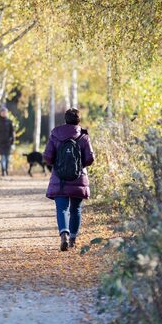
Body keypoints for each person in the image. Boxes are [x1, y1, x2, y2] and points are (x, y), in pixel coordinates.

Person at [43, 108, 95, 251]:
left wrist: (57, 163)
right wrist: (79, 165)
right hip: (78, 178)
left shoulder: (55, 134)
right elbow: (90, 158)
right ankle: (72, 238)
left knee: (62, 208)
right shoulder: (84, 136)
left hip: (59, 178)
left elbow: (47, 156)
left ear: (65, 119)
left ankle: (63, 234)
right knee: (76, 209)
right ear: (78, 120)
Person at [0, 107, 15, 176]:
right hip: (0, 142)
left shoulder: (9, 122)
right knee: (2, 157)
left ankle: (6, 170)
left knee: (7, 158)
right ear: (0, 113)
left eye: (5, 112)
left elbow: (12, 132)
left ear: (7, 113)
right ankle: (3, 171)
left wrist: (13, 140)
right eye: (3, 112)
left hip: (8, 142)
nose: (4, 113)